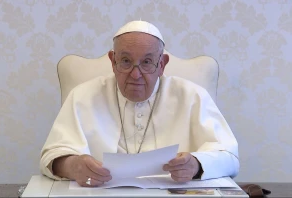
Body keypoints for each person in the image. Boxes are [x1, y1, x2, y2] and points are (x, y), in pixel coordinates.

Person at [40, 20, 239, 187]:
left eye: (147, 62)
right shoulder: (83, 96)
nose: (135, 75)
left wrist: (196, 164)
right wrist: (72, 166)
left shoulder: (193, 96)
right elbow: (51, 156)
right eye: (126, 61)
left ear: (162, 64)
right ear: (112, 61)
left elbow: (229, 156)